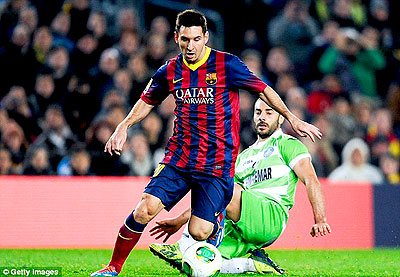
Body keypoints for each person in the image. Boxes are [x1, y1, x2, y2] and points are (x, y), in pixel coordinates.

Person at [91, 9, 321, 276]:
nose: (191, 46)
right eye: (185, 39)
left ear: (206, 37)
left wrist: (291, 118)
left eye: (196, 39)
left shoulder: (227, 64)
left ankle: (227, 243)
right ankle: (112, 267)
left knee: (199, 231)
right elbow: (147, 100)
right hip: (179, 158)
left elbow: (264, 90)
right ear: (176, 37)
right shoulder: (170, 69)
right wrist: (124, 125)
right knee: (144, 210)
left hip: (216, 163)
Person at [148, 99, 331, 275]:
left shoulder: (288, 145)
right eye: (258, 112)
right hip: (241, 224)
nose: (262, 117)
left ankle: (180, 246)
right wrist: (180, 220)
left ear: (281, 118)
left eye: (269, 112)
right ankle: (252, 263)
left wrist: (320, 219)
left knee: (222, 186)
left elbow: (311, 180)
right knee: (200, 260)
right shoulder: (243, 157)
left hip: (270, 215)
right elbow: (215, 199)